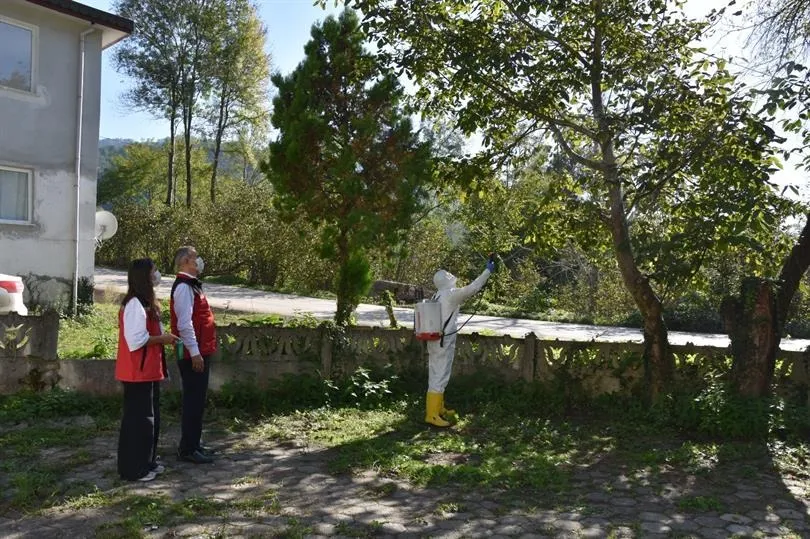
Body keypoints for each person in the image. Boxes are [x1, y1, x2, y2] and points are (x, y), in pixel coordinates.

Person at [115, 258, 178, 481]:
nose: (157, 275)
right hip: (136, 372)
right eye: (154, 271)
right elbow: (136, 340)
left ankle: (147, 461)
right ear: (145, 276)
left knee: (150, 419)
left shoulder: (146, 302)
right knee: (138, 421)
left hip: (148, 370)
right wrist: (163, 338)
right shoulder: (134, 304)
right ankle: (134, 469)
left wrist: (162, 337)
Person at [425, 259, 495, 427]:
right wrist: (487, 272)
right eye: (447, 274)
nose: (451, 275)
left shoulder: (438, 294)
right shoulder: (449, 293)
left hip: (436, 340)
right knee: (439, 375)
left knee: (437, 373)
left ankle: (438, 408)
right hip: (443, 341)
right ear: (445, 279)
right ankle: (432, 415)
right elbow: (471, 289)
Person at [170, 246, 217, 464]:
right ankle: (188, 449)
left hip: (199, 350)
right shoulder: (183, 288)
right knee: (193, 400)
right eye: (194, 257)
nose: (198, 261)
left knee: (198, 401)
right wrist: (195, 353)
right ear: (185, 262)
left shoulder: (192, 285)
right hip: (192, 353)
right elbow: (184, 324)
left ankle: (194, 443)